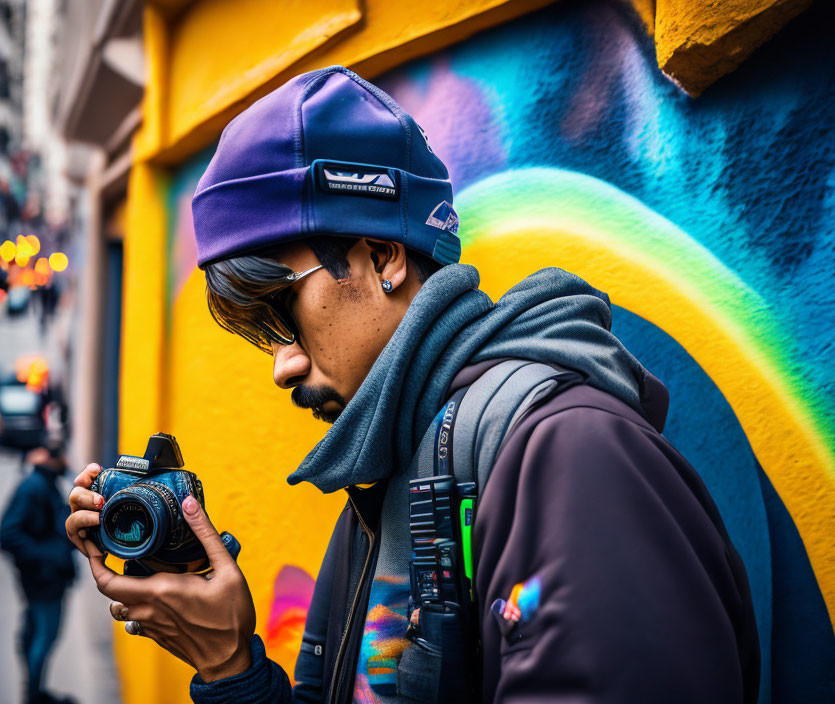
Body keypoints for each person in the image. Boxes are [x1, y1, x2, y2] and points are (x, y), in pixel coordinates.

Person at [66, 66, 760, 703]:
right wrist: (226, 663)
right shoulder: (384, 479)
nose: (282, 365)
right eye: (261, 335)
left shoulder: (572, 458)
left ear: (382, 258)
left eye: (284, 314)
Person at [1, 446, 77, 704]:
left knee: (35, 632)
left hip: (44, 577)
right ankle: (33, 695)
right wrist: (51, 557)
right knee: (44, 635)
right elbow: (8, 533)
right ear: (51, 457)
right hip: (43, 579)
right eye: (64, 456)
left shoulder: (46, 482)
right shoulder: (34, 486)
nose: (68, 461)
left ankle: (34, 691)